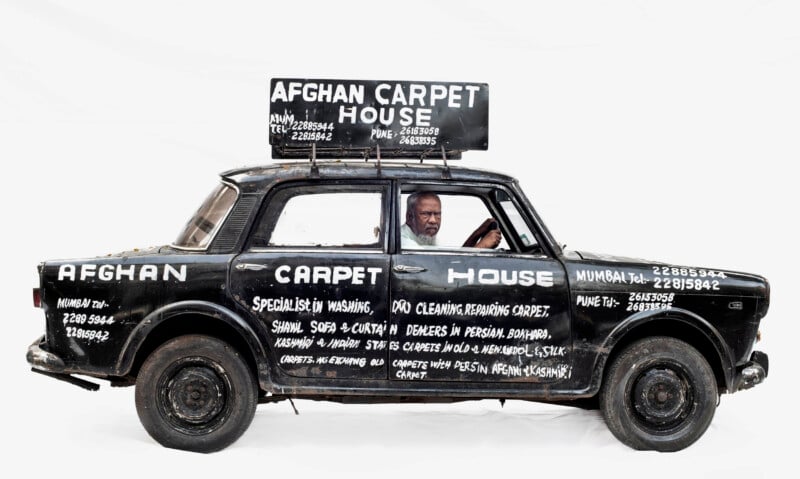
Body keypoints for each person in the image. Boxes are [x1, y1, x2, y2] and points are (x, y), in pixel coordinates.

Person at [401, 192, 502, 249]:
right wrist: (483, 246)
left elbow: (453, 261)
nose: (433, 220)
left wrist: (477, 234)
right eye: (426, 214)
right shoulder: (402, 241)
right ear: (410, 217)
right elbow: (442, 272)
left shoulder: (427, 238)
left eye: (437, 214)